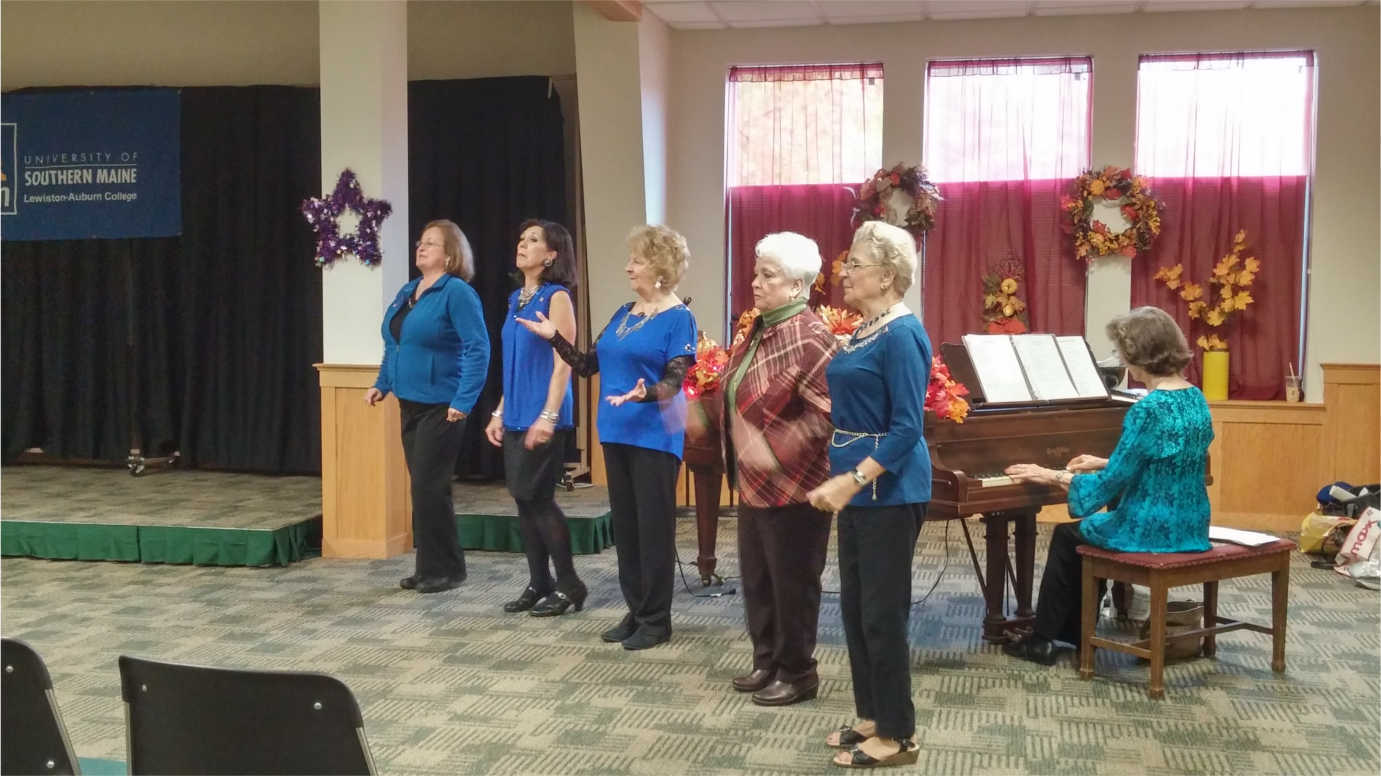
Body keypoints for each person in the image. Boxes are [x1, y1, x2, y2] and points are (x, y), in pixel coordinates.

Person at [517, 225, 697, 650]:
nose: (628, 266)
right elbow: (585, 365)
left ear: (660, 267)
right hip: (615, 432)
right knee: (628, 530)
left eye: (636, 260)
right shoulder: (623, 313)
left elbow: (674, 380)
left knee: (653, 531)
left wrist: (645, 392)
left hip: (654, 436)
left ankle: (657, 620)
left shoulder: (679, 318)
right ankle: (636, 611)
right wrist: (554, 338)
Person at [1002, 306, 1212, 665]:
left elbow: (1109, 485)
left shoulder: (1149, 408)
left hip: (1152, 529)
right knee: (1086, 533)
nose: (1121, 359)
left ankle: (1043, 639)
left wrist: (1051, 473)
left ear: (1137, 355)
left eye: (1122, 352)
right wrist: (1104, 461)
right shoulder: (1195, 398)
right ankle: (1074, 632)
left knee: (1069, 536)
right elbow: (1169, 458)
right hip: (1191, 523)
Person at [806, 220, 929, 768]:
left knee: (883, 612)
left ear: (886, 275)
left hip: (890, 488)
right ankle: (873, 714)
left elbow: (908, 428)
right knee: (856, 610)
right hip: (857, 488)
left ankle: (899, 734)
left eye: (855, 264)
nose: (844, 272)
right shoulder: (863, 329)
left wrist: (854, 478)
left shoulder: (902, 334)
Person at [722, 232, 838, 707]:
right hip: (753, 484)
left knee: (793, 584)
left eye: (767, 275)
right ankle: (767, 659)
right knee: (758, 580)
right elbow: (738, 390)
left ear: (798, 285)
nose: (755, 282)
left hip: (796, 488)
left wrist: (772, 448)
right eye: (756, 272)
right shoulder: (762, 327)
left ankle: (798, 672)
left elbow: (826, 416)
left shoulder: (812, 338)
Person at [365, 220, 490, 594]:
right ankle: (430, 567)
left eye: (431, 244)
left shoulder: (457, 293)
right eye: (420, 242)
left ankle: (446, 570)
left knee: (429, 487)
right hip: (410, 402)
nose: (421, 248)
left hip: (442, 404)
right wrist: (382, 384)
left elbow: (477, 348)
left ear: (451, 255)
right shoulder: (409, 291)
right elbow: (395, 343)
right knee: (423, 488)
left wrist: (463, 401)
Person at [485, 219, 588, 617]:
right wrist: (499, 411)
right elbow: (515, 363)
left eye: (533, 240)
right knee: (523, 501)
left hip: (545, 413)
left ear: (551, 255)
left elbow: (564, 361)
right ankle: (538, 580)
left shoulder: (556, 296)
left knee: (540, 500)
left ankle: (569, 584)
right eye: (521, 237)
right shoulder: (516, 300)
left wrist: (547, 415)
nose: (522, 244)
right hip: (517, 412)